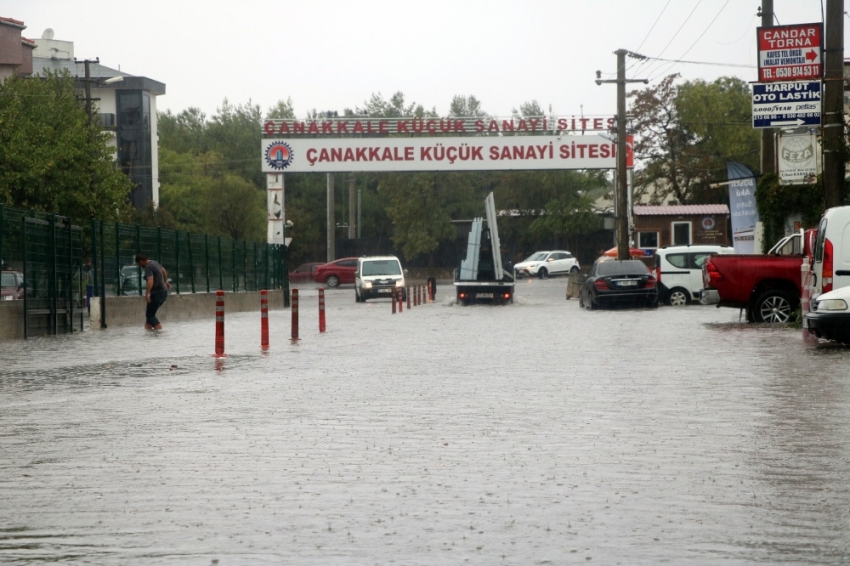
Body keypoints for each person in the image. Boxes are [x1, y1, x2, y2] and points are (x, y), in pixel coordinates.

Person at [134, 254, 170, 330]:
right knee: (149, 317)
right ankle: (148, 336)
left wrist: (147, 294)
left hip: (157, 293)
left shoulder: (148, 267)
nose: (140, 266)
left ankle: (159, 333)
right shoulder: (154, 262)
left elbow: (150, 280)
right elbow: (163, 270)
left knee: (150, 315)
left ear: (141, 261)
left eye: (139, 264)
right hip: (163, 292)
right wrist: (165, 281)